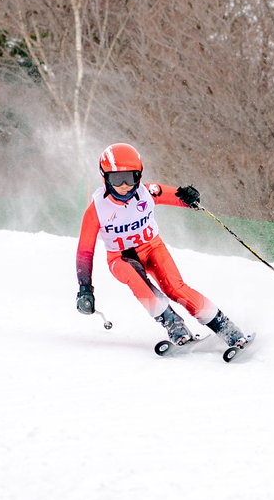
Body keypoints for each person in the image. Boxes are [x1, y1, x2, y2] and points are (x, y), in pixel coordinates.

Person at [75, 142, 247, 347]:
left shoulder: (148, 192)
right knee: (139, 283)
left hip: (152, 248)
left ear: (139, 176)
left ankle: (225, 327)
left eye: (130, 178)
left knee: (175, 288)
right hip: (120, 258)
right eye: (117, 178)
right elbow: (85, 252)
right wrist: (85, 288)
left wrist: (189, 196)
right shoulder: (96, 210)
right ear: (105, 178)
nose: (124, 185)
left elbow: (180, 197)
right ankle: (175, 326)